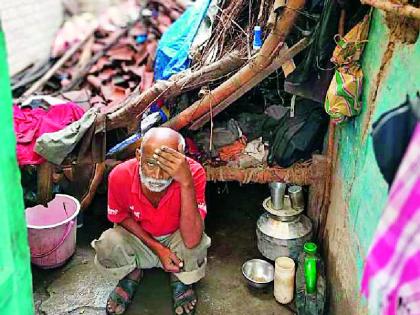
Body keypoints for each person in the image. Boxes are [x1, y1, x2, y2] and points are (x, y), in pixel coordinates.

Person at [92, 127, 211, 315]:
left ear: (182, 160)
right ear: (138, 156)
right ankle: (133, 272)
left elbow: (191, 239)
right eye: (150, 164)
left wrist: (186, 182)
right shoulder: (120, 175)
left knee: (197, 245)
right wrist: (158, 248)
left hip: (177, 239)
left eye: (167, 167)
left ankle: (179, 277)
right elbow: (120, 216)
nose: (156, 176)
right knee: (109, 243)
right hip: (140, 239)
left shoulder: (194, 173)